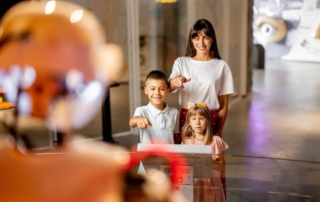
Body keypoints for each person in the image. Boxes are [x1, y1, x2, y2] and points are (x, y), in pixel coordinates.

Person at [169, 19, 237, 144]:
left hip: (211, 118)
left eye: (206, 38)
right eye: (197, 38)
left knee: (211, 158)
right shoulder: (181, 62)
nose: (201, 42)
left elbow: (224, 104)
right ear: (191, 39)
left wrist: (218, 132)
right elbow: (171, 86)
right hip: (187, 117)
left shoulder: (222, 66)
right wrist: (176, 81)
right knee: (187, 158)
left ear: (212, 39)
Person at [182, 102, 228, 202]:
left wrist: (209, 162)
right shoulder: (186, 142)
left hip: (211, 183)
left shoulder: (215, 141)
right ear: (189, 122)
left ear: (207, 120)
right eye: (194, 119)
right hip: (194, 184)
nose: (197, 122)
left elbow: (222, 166)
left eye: (201, 118)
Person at [129, 70, 179, 144]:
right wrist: (139, 120)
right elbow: (132, 122)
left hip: (168, 154)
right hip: (149, 155)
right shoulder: (142, 111)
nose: (157, 93)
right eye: (152, 89)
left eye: (162, 89)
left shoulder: (175, 112)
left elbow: (177, 136)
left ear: (167, 90)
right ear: (146, 90)